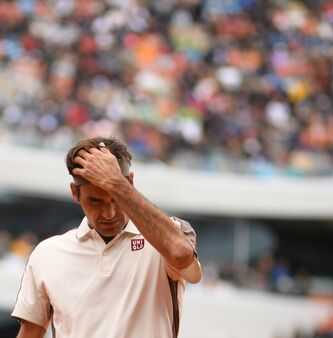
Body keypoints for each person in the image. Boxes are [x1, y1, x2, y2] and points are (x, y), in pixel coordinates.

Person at [11, 136, 202, 338]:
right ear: (75, 193)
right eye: (95, 201)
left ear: (131, 184)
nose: (109, 213)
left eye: (115, 198)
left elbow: (181, 254)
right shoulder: (47, 253)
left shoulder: (170, 233)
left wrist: (117, 184)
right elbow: (30, 333)